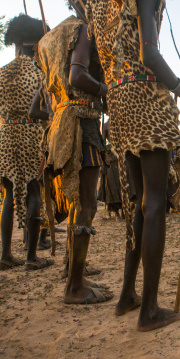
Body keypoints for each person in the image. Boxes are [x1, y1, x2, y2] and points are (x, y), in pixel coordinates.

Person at [87, 0, 180, 331]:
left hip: (118, 100)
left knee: (139, 203)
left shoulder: (101, 6)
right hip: (144, 96)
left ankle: (128, 295)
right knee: (154, 202)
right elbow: (150, 55)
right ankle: (151, 311)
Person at [37, 2, 113, 303]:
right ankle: (75, 286)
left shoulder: (51, 37)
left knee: (76, 202)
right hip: (81, 120)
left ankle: (72, 267)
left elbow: (49, 90)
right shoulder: (82, 30)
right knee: (87, 205)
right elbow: (77, 76)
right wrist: (107, 90)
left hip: (60, 121)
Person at [0, 15, 53, 271]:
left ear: (16, 43)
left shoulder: (1, 74)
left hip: (7, 135)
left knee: (9, 193)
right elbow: (45, 108)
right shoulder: (39, 73)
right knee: (34, 190)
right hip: (31, 134)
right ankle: (31, 256)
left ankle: (6, 253)